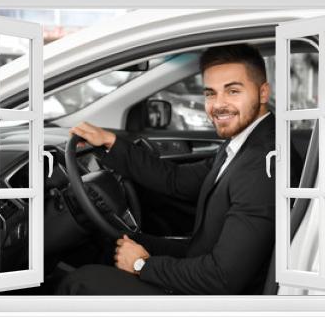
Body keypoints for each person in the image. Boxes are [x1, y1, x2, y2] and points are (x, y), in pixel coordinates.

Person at [57, 44, 275, 295]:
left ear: (263, 93)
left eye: (233, 91)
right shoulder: (242, 144)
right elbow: (176, 180)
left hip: (218, 302)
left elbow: (222, 279)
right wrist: (110, 142)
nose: (218, 105)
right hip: (205, 263)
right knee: (113, 244)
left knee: (81, 282)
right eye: (210, 94)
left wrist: (141, 264)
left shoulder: (260, 165)